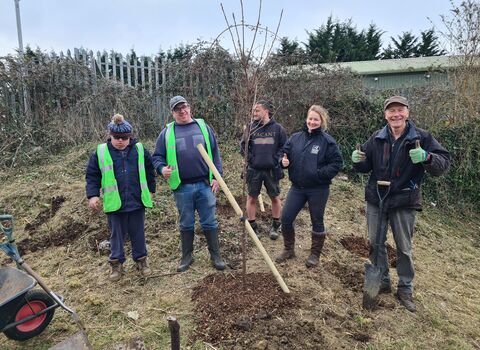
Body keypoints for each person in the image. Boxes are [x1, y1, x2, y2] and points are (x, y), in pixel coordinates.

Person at [351, 95, 450, 312]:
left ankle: (405, 288)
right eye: (391, 111)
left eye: (400, 110)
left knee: (403, 248)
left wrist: (427, 157)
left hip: (405, 199)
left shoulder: (421, 137)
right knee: (376, 243)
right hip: (377, 198)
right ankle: (383, 280)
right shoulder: (377, 137)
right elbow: (366, 165)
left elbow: (443, 164)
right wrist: (358, 161)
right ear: (385, 115)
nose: (396, 115)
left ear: (407, 112)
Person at [152, 96, 226, 272]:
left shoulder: (203, 127)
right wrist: (162, 169)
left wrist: (217, 176)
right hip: (182, 186)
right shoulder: (167, 133)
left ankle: (216, 256)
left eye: (184, 107)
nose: (182, 111)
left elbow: (214, 153)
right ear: (173, 113)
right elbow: (157, 157)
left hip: (204, 184)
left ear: (189, 108)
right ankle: (186, 257)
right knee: (186, 223)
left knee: (210, 221)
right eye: (178, 109)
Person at [86, 114, 156, 281]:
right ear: (110, 136)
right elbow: (92, 176)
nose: (120, 141)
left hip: (137, 202)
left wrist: (151, 190)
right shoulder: (101, 152)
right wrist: (93, 195)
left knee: (138, 234)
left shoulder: (139, 149)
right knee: (116, 236)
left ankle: (141, 262)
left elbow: (149, 171)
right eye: (116, 137)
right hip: (114, 204)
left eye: (124, 138)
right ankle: (116, 266)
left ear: (130, 137)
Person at [276, 105, 343, 267]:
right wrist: (283, 162)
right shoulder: (295, 138)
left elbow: (337, 163)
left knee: (317, 221)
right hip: (297, 187)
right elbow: (282, 154)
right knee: (286, 218)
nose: (312, 122)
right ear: (307, 119)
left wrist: (319, 174)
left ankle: (314, 254)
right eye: (310, 118)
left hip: (318, 189)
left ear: (321, 121)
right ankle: (289, 249)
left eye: (316, 119)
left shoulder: (327, 141)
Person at [240, 100, 287, 239]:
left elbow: (284, 147)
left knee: (275, 197)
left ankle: (275, 225)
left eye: (257, 110)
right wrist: (251, 159)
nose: (254, 113)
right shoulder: (250, 128)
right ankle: (253, 226)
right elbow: (243, 147)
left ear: (266, 111)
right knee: (251, 197)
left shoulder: (278, 129)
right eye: (253, 111)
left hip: (272, 170)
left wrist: (276, 159)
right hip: (254, 170)